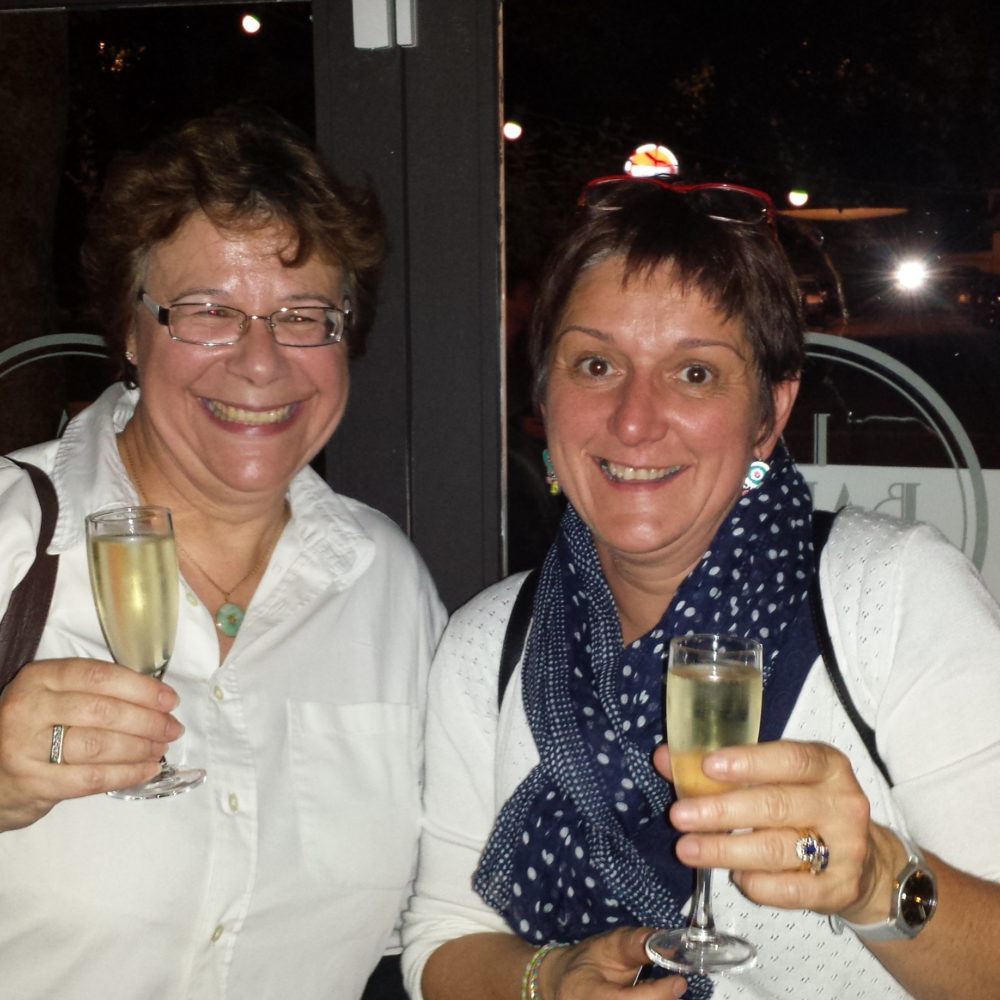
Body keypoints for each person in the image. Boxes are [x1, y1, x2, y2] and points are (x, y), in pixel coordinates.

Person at [401, 175, 1000, 999]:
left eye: (694, 373)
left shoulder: (890, 597)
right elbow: (443, 934)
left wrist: (877, 884)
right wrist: (548, 979)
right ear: (543, 392)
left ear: (770, 412)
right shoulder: (486, 644)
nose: (634, 420)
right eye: (596, 364)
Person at [0, 106, 445, 999]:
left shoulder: (385, 583)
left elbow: (442, 908)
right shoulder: (10, 535)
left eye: (303, 316)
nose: (260, 362)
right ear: (131, 332)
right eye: (208, 312)